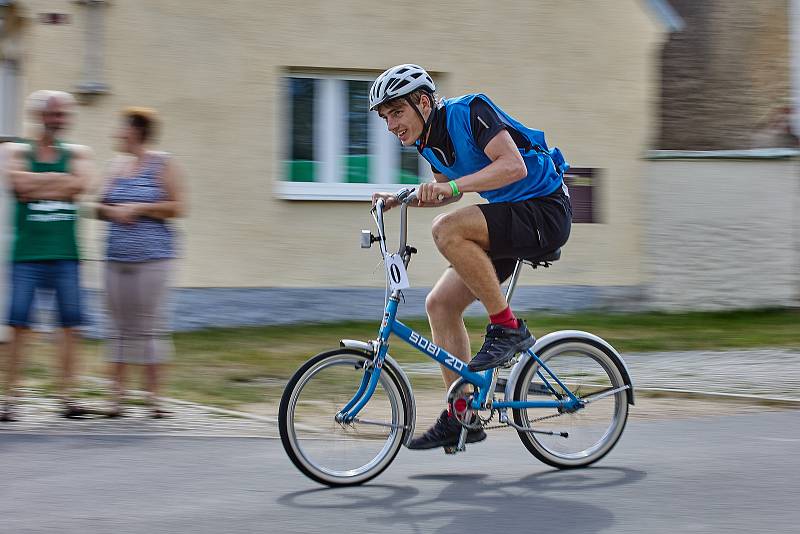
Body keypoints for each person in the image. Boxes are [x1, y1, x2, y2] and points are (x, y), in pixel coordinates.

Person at [370, 64, 573, 450]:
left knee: (447, 229)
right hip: (511, 220)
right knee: (440, 304)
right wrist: (400, 199)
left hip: (545, 210)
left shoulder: (470, 111)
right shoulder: (429, 144)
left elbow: (513, 166)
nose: (391, 125)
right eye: (385, 117)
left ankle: (508, 328)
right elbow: (446, 190)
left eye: (396, 112)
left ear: (423, 102)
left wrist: (451, 190)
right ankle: (462, 414)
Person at [1, 90, 95, 422]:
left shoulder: (78, 153)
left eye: (63, 115)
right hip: (26, 255)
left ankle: (67, 396)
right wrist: (60, 182)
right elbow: (18, 185)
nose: (59, 121)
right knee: (18, 326)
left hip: (65, 254)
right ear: (38, 116)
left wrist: (39, 183)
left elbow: (81, 185)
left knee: (70, 326)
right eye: (53, 114)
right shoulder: (15, 150)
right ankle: (11, 398)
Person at [96, 107, 185, 418]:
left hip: (153, 259)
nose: (117, 132)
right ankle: (116, 399)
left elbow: (178, 206)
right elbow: (98, 205)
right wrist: (113, 211)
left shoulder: (163, 163)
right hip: (115, 259)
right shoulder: (115, 165)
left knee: (150, 327)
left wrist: (139, 209)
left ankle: (154, 400)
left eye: (122, 127)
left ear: (136, 130)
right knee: (117, 328)